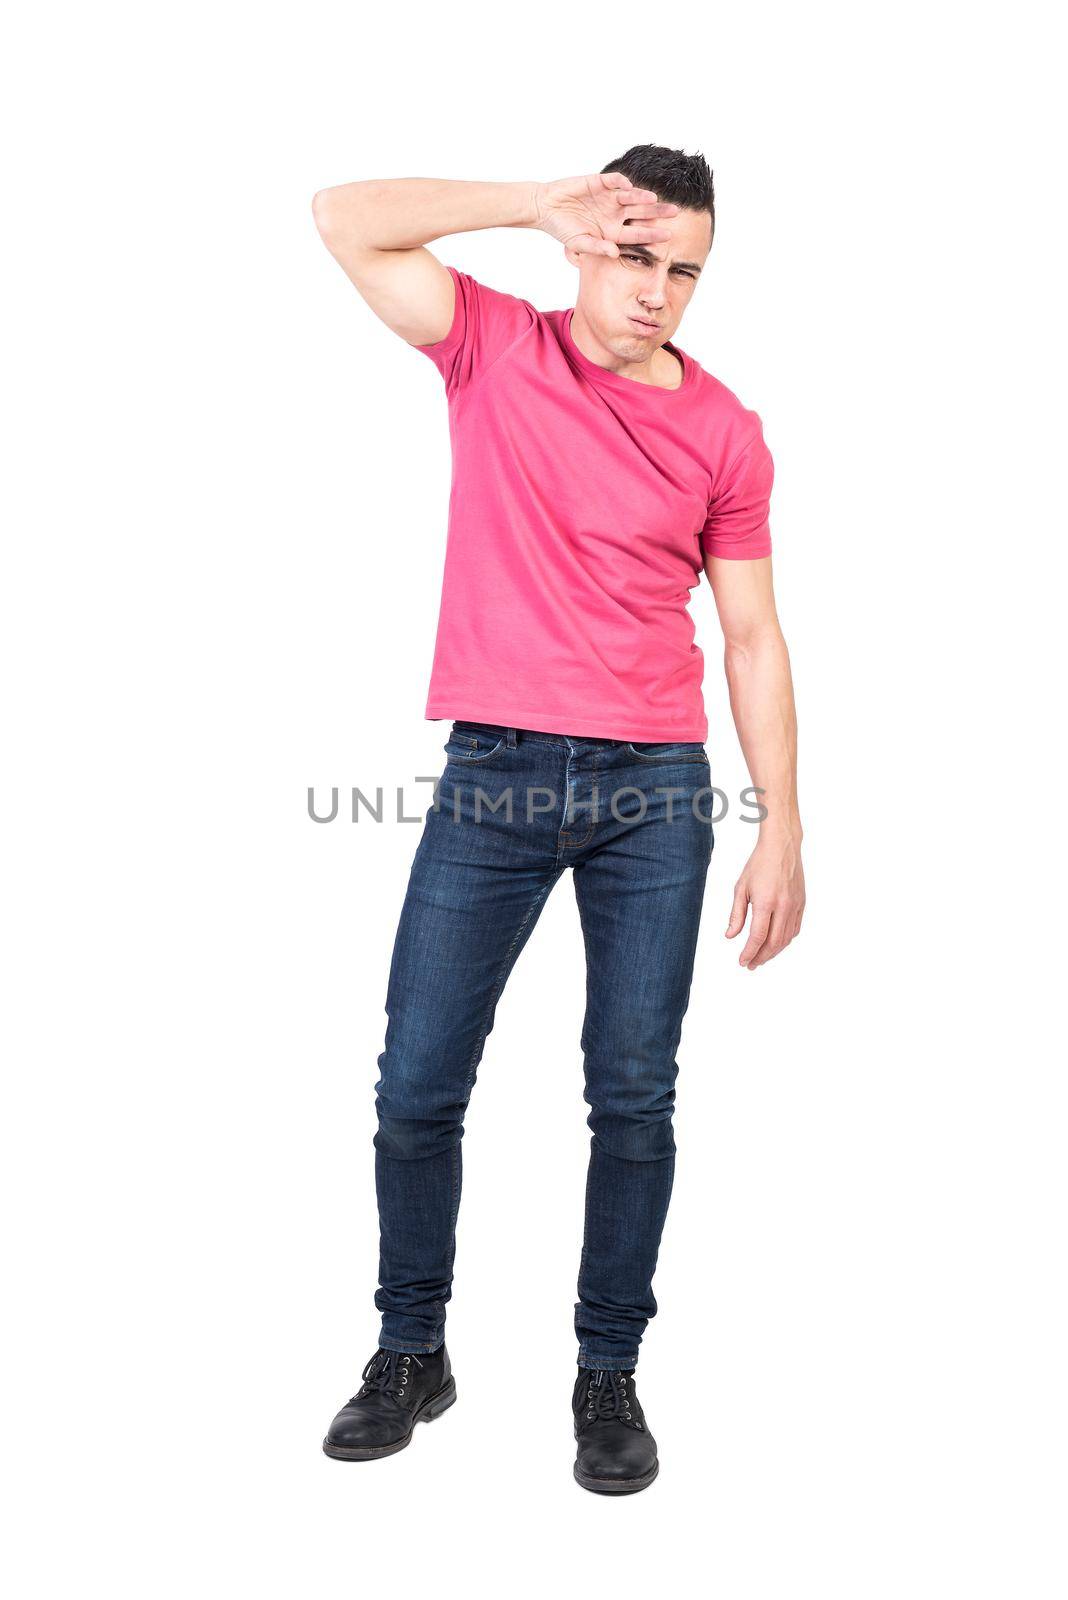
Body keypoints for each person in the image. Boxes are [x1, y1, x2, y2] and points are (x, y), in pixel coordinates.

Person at [311, 146, 805, 1494]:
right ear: (590, 243)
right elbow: (342, 219)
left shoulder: (726, 432)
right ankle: (413, 1349)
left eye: (685, 270)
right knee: (418, 1082)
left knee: (632, 1092)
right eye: (638, 255)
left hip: (655, 790)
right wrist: (532, 205)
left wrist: (784, 827)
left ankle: (608, 1374)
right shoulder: (494, 349)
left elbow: (751, 638)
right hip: (497, 775)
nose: (659, 293)